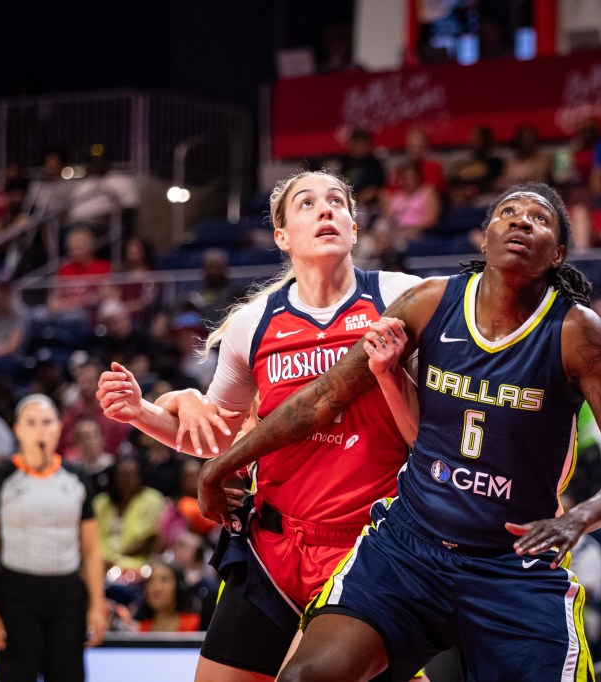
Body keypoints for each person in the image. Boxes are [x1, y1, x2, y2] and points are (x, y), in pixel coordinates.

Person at [176, 181, 601, 680]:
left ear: (557, 253)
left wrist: (577, 520)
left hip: (511, 561)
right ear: (484, 237)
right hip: (409, 549)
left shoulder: (578, 332)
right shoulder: (429, 303)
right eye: (508, 212)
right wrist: (222, 464)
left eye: (539, 219)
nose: (521, 221)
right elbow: (322, 397)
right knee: (305, 676)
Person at [96, 169, 423, 681]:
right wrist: (142, 414)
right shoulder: (255, 321)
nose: (325, 210)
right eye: (307, 203)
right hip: (274, 545)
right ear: (282, 236)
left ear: (355, 228)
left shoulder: (403, 297)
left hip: (366, 547)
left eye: (338, 202)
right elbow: (222, 439)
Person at [0, 394, 106, 682]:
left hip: (68, 596)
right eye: (31, 423)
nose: (40, 430)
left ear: (59, 427)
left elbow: (92, 550)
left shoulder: (77, 478)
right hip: (15, 595)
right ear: (18, 430)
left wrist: (97, 605)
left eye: (47, 422)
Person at [134, 559, 202, 633]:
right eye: (150, 580)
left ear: (178, 587)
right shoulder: (142, 629)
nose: (156, 588)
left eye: (164, 580)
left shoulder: (195, 625)